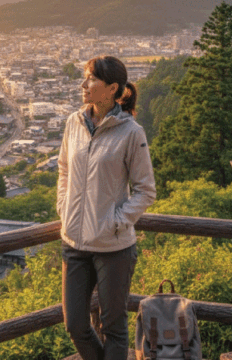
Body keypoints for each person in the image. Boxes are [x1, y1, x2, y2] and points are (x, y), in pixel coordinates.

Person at [57, 55, 156, 360]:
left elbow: (145, 191)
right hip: (73, 242)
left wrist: (115, 221)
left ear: (113, 88)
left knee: (112, 326)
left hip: (113, 247)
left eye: (91, 79)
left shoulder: (131, 133)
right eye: (85, 77)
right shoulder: (73, 123)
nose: (84, 84)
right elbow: (63, 170)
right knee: (75, 324)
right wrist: (64, 208)